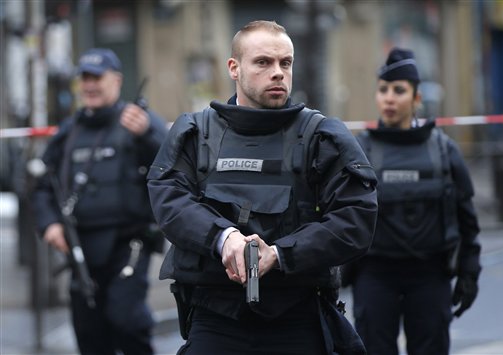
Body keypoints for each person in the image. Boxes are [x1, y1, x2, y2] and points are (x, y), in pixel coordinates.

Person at [147, 20, 378, 355]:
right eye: (263, 62)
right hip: (215, 318)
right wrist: (222, 239)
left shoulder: (321, 137)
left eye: (285, 63)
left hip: (297, 317)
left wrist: (281, 254)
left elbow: (356, 219)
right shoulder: (195, 134)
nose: (278, 73)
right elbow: (169, 200)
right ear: (234, 68)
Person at [344, 48, 482, 355]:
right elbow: (343, 216)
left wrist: (469, 272)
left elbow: (466, 218)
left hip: (429, 275)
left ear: (417, 98)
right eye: (383, 90)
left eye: (399, 90)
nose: (389, 98)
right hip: (375, 274)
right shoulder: (359, 151)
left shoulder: (443, 150)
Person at [33, 48, 168, 355]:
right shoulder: (69, 131)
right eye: (84, 78)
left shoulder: (139, 121)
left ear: (117, 80)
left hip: (128, 243)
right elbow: (42, 185)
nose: (90, 85)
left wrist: (147, 133)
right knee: (88, 330)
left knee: (127, 319)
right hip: (81, 248)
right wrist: (50, 224)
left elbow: (172, 164)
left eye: (97, 77)